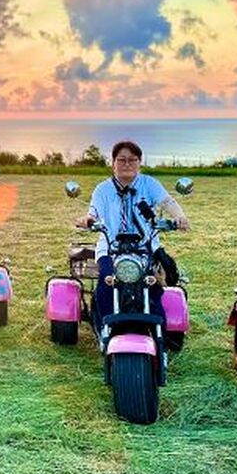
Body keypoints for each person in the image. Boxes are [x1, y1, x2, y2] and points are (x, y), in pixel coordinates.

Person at [80, 140, 190, 345]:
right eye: (121, 160)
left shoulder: (149, 184)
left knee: (154, 285)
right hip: (111, 247)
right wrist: (89, 220)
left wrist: (179, 216)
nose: (127, 164)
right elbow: (93, 211)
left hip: (145, 247)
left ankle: (160, 335)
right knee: (106, 282)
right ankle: (105, 330)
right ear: (113, 163)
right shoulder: (103, 189)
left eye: (132, 160)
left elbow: (167, 201)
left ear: (140, 162)